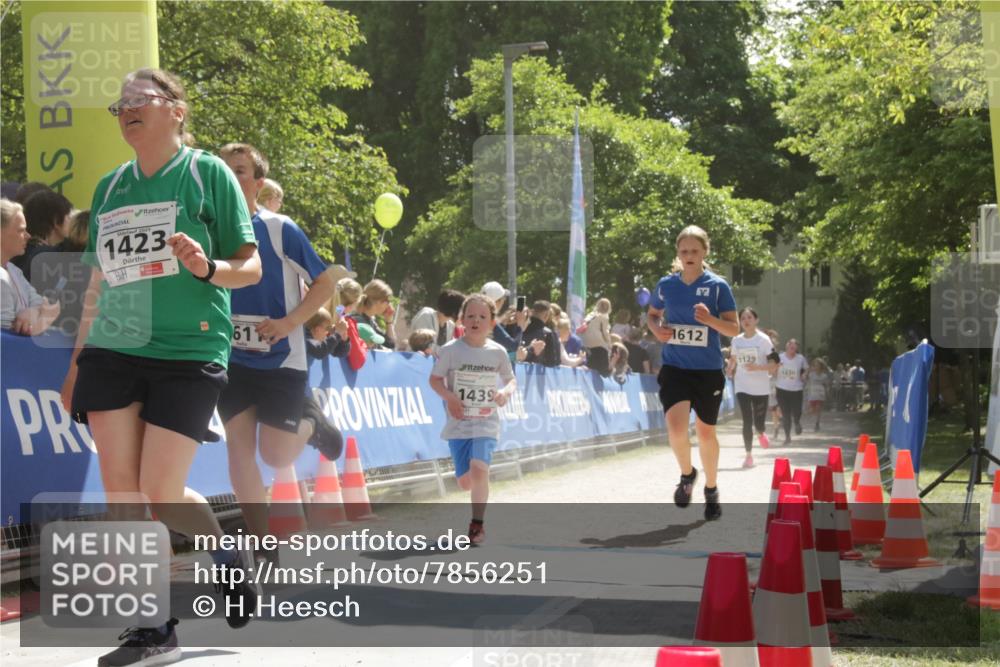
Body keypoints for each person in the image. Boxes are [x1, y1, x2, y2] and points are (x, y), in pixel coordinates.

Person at [56, 68, 263, 665]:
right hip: (113, 346)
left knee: (160, 490)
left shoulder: (207, 173)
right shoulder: (110, 187)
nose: (126, 109)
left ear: (176, 110)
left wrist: (207, 268)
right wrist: (77, 360)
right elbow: (97, 281)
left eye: (138, 100)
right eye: (119, 104)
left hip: (188, 351)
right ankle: (152, 626)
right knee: (122, 490)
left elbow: (249, 268)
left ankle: (224, 552)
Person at [216, 142, 343, 552]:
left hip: (281, 359)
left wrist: (290, 323)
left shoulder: (279, 228)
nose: (229, 177)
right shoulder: (206, 231)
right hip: (230, 358)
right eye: (223, 169)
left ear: (258, 182)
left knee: (275, 456)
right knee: (238, 450)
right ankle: (262, 540)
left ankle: (313, 423)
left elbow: (325, 282)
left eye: (239, 170)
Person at [647, 225, 738, 521]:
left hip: (708, 370)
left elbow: (733, 328)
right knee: (675, 430)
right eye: (684, 250)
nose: (689, 255)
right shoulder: (666, 285)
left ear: (704, 252)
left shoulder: (718, 286)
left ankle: (711, 488)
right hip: (675, 367)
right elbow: (652, 314)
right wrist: (656, 329)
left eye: (694, 251)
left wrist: (709, 319)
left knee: (705, 433)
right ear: (678, 253)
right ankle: (687, 474)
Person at [429, 293, 516, 544]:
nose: (476, 321)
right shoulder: (450, 350)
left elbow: (511, 379)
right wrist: (450, 397)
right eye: (471, 316)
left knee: (480, 470)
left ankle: (477, 525)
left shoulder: (498, 352)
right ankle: (468, 482)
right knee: (466, 482)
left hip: (486, 421)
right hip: (459, 423)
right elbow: (434, 380)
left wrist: (504, 393)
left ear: (492, 323)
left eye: (482, 317)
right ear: (462, 320)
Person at [727, 307, 779, 468]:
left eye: (749, 317)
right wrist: (730, 368)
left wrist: (758, 368)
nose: (746, 321)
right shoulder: (736, 340)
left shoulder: (764, 340)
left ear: (756, 320)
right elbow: (733, 358)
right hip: (742, 384)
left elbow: (775, 364)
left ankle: (761, 432)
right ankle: (748, 455)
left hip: (760, 387)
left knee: (758, 423)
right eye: (743, 318)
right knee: (747, 420)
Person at [1, 199, 60, 335]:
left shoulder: (13, 270)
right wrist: (45, 318)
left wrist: (32, 311)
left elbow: (38, 301)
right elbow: (5, 340)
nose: (28, 236)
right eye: (21, 230)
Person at [409, 288, 465, 354]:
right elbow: (421, 347)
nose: (465, 316)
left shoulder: (450, 326)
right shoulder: (426, 316)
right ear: (454, 311)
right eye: (463, 311)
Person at [481, 280, 526, 359]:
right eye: (503, 298)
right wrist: (520, 325)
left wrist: (502, 323)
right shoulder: (490, 320)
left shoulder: (478, 317)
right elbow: (514, 346)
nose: (504, 300)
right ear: (497, 302)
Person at [776, 338, 809, 445]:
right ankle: (787, 437)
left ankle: (797, 422)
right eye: (790, 344)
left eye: (794, 345)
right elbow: (773, 368)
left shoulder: (800, 358)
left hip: (796, 389)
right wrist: (776, 368)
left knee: (797, 411)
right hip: (782, 389)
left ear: (796, 348)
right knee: (786, 414)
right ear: (787, 346)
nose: (792, 346)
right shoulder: (780, 357)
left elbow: (807, 368)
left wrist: (804, 374)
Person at [349, 279, 396, 349]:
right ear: (378, 301)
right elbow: (390, 345)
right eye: (388, 301)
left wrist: (389, 321)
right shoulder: (359, 320)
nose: (389, 305)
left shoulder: (370, 320)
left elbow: (390, 344)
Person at [520, 300, 561, 367]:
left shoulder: (520, 329)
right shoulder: (548, 334)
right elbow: (553, 361)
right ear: (546, 315)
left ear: (532, 311)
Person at [580, 297, 612, 375]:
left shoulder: (591, 314)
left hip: (585, 342)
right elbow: (605, 332)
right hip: (598, 343)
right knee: (603, 370)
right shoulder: (604, 316)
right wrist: (609, 343)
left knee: (591, 364)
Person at [806, 358, 831, 430]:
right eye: (815, 365)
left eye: (818, 365)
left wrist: (827, 391)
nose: (816, 366)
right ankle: (814, 418)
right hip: (812, 393)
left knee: (818, 408)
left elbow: (827, 385)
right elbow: (806, 379)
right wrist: (808, 371)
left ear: (821, 366)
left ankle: (817, 423)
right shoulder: (811, 374)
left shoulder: (824, 376)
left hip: (820, 394)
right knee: (812, 410)